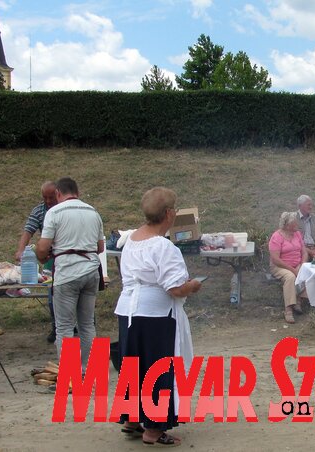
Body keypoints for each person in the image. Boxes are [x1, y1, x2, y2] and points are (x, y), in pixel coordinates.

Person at [114, 187, 201, 447]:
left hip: (129, 310)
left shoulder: (132, 239)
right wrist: (193, 285)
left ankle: (132, 418)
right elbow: (175, 287)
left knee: (133, 365)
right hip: (155, 315)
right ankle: (153, 428)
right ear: (168, 213)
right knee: (158, 368)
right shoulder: (164, 247)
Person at [35, 177, 104, 375]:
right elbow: (100, 247)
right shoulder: (93, 212)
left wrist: (43, 255)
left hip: (67, 274)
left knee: (64, 326)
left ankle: (72, 372)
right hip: (91, 272)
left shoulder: (54, 212)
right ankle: (90, 370)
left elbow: (43, 247)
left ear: (58, 193)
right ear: (77, 192)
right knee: (87, 324)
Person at [15, 181, 58, 343]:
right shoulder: (39, 210)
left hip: (70, 259)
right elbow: (28, 231)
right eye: (45, 197)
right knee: (52, 294)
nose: (48, 201)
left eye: (51, 197)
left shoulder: (64, 209)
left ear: (59, 194)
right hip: (51, 259)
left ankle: (73, 332)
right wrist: (21, 250)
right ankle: (57, 328)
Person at [269, 211, 308, 324]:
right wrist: (293, 270)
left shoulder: (297, 234)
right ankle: (288, 309)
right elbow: (275, 259)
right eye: (295, 223)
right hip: (280, 266)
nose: (297, 224)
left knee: (306, 272)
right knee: (290, 277)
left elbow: (304, 252)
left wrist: (303, 264)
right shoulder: (276, 237)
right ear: (287, 225)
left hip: (297, 264)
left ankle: (299, 301)